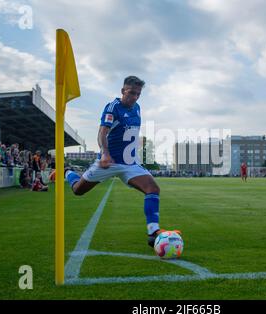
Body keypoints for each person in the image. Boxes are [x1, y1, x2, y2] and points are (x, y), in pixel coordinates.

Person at [65, 76, 180, 248]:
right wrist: (105, 154)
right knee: (78, 190)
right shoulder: (113, 108)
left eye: (138, 94)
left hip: (130, 164)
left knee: (153, 188)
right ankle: (66, 171)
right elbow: (102, 133)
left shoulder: (137, 108)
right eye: (131, 93)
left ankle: (152, 232)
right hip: (108, 161)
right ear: (123, 91)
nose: (134, 97)